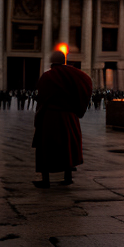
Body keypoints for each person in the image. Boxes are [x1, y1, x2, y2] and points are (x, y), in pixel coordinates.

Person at [32, 50, 92, 188]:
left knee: (46, 147)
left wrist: (39, 116)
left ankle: (45, 180)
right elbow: (87, 83)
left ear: (52, 62)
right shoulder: (74, 74)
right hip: (69, 117)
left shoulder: (48, 76)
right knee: (68, 146)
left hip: (51, 117)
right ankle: (68, 177)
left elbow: (42, 98)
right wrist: (77, 108)